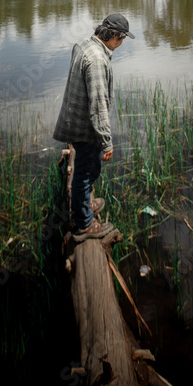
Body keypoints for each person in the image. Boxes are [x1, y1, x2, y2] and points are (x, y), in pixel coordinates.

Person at [53, 14, 135, 241]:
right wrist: (107, 142)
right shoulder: (98, 60)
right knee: (85, 173)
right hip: (86, 128)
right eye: (122, 39)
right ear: (115, 36)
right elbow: (98, 107)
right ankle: (84, 224)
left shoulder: (85, 44)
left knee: (89, 168)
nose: (121, 44)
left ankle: (84, 202)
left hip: (77, 121)